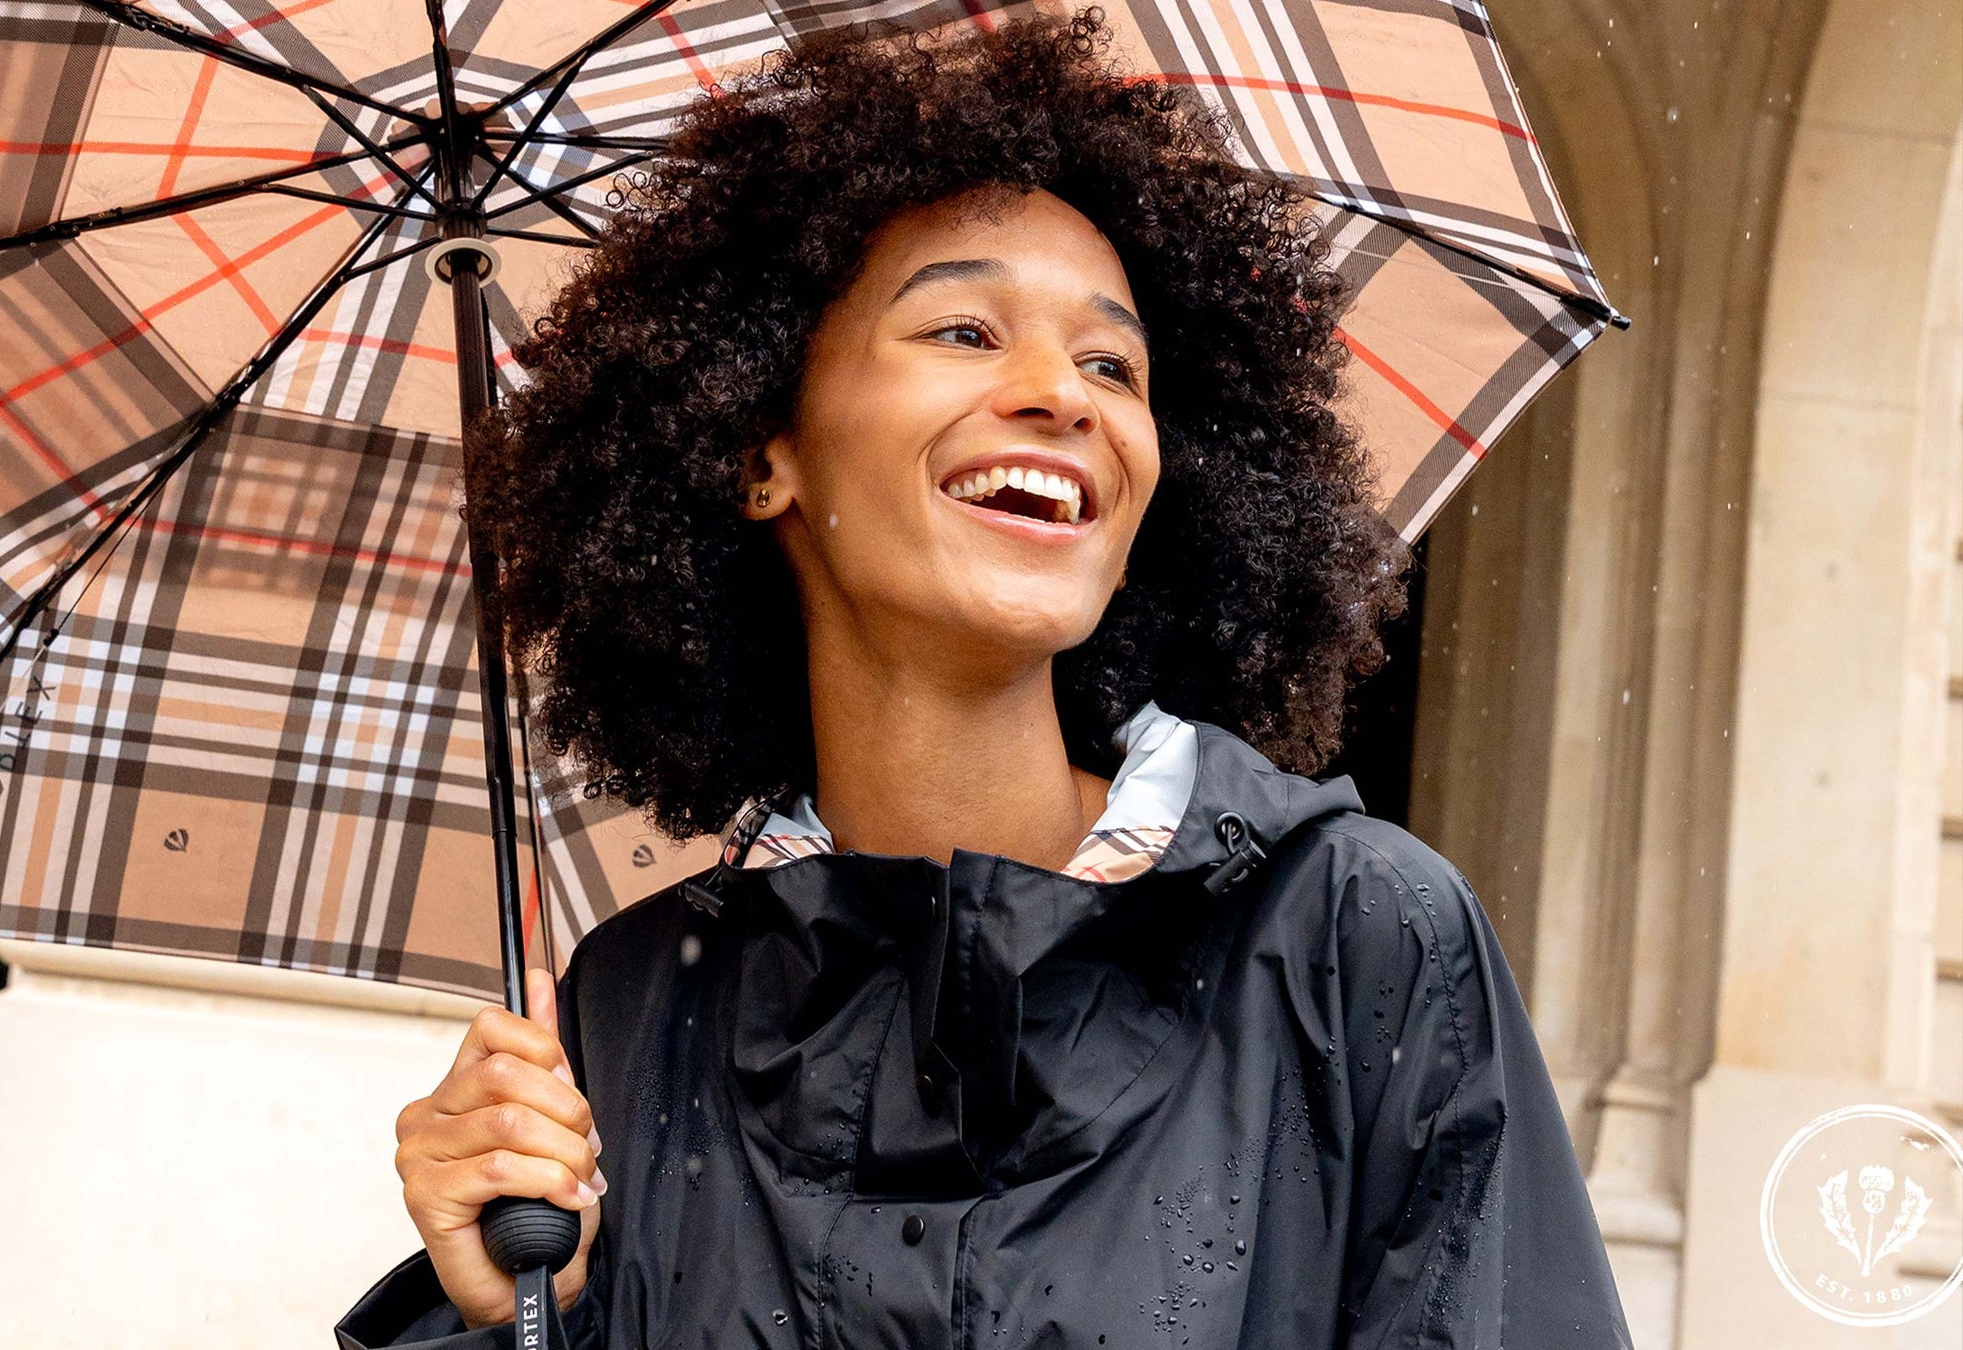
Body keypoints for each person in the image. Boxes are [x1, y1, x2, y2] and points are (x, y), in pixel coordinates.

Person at [340, 10, 1633, 1348]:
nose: (1063, 396)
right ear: (761, 451)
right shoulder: (630, 1011)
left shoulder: (1354, 938)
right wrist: (509, 1311)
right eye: (964, 331)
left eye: (1112, 364)